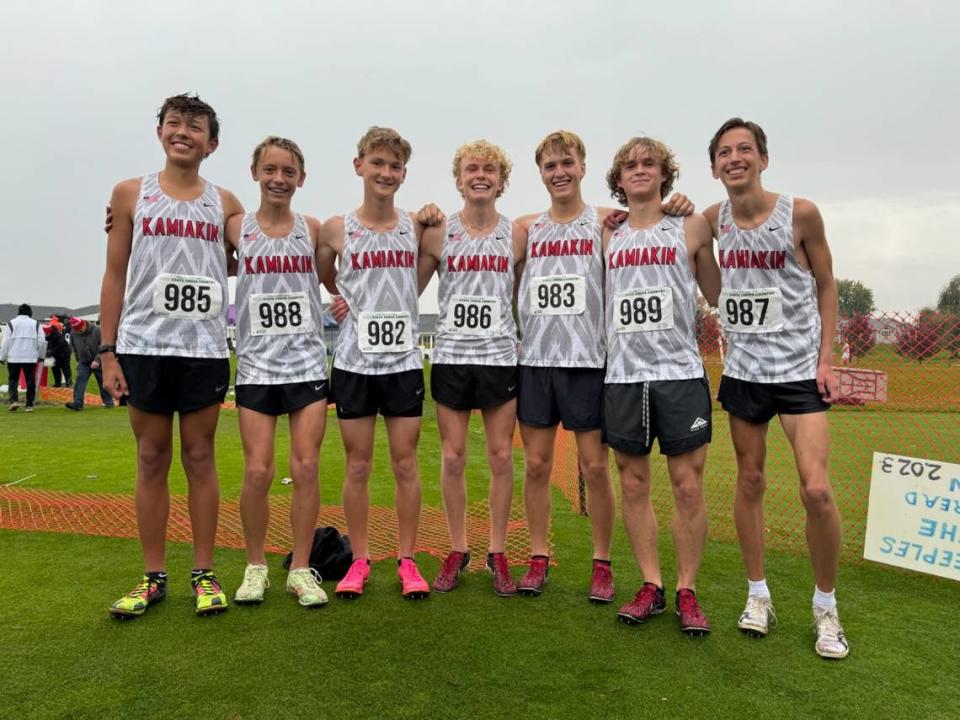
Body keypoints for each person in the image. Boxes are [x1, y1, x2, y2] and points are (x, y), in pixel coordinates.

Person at [513, 131, 692, 600]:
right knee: (535, 464)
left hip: (588, 362)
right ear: (541, 173)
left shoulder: (606, 224)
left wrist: (678, 204)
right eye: (550, 166)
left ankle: (602, 562)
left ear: (583, 167)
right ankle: (537, 557)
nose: (559, 172)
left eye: (567, 162)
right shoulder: (527, 227)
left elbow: (652, 224)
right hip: (535, 360)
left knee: (594, 468)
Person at [704, 117, 847, 659]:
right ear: (714, 166)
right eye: (724, 152)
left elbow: (827, 281)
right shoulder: (711, 220)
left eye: (745, 150)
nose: (735, 158)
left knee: (816, 489)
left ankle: (825, 605)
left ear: (763, 159)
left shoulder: (800, 213)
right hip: (744, 373)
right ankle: (757, 594)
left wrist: (827, 357)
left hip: (798, 374)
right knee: (751, 481)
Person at [99, 93, 244, 618]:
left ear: (213, 143)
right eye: (175, 123)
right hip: (143, 346)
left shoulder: (225, 202)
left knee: (200, 457)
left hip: (202, 347)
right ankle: (153, 576)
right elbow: (115, 274)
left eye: (196, 126)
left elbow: (256, 250)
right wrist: (107, 351)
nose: (184, 131)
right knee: (152, 457)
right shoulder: (130, 193)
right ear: (160, 131)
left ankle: (204, 574)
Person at [601, 137, 720, 634]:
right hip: (624, 377)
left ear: (665, 174)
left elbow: (717, 293)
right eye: (630, 165)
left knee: (687, 486)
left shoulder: (689, 225)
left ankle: (687, 590)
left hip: (680, 374)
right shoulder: (605, 233)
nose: (640, 170)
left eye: (649, 163)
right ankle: (650, 584)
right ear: (619, 179)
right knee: (632, 483)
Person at [318, 127, 437, 600]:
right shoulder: (334, 228)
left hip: (403, 362)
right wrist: (338, 295)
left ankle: (407, 561)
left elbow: (419, 281)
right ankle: (360, 560)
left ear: (403, 173)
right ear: (359, 166)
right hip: (354, 364)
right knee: (358, 464)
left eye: (394, 166)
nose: (385, 173)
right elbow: (324, 271)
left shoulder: (419, 226)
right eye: (378, 163)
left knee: (406, 464)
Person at [228, 136, 337, 608]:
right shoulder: (235, 226)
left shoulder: (312, 230)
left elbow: (341, 274)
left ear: (301, 179)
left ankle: (300, 569)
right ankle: (255, 567)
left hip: (306, 365)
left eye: (288, 171)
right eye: (270, 169)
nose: (278, 179)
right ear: (255, 172)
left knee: (306, 467)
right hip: (255, 367)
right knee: (257, 471)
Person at [416, 140, 526, 596]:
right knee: (454, 456)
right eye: (471, 169)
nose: (480, 175)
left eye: (490, 169)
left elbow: (525, 293)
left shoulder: (518, 235)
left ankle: (496, 551)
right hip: (453, 359)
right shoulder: (439, 233)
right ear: (458, 179)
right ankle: (458, 548)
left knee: (501, 457)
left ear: (502, 180)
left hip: (500, 358)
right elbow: (407, 287)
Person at [1, 303, 47, 412]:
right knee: (30, 381)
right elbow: (42, 342)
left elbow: (5, 342)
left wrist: (2, 357)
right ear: (30, 313)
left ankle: (14, 401)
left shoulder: (11, 323)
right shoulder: (36, 324)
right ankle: (29, 405)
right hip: (30, 357)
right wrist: (41, 356)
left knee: (13, 380)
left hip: (13, 357)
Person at [65, 317, 114, 410]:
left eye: (80, 329)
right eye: (76, 330)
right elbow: (75, 349)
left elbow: (104, 346)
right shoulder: (73, 333)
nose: (78, 331)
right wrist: (79, 360)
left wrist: (97, 360)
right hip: (84, 361)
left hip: (99, 361)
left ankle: (108, 402)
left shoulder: (97, 330)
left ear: (84, 324)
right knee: (80, 381)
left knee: (102, 381)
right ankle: (78, 403)